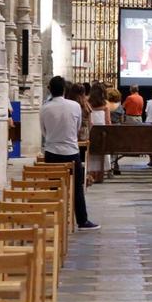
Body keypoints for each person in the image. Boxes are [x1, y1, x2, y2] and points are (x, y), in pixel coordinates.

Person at [40, 76, 98, 230]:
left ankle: (54, 218)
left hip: (52, 151)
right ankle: (82, 220)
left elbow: (43, 131)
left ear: (50, 90)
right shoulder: (74, 106)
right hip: (71, 151)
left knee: (53, 186)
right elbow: (78, 126)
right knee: (77, 187)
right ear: (65, 90)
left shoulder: (45, 107)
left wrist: (53, 139)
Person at [86, 83, 109, 184]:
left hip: (92, 130)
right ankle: (100, 175)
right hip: (102, 131)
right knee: (101, 152)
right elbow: (108, 121)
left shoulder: (88, 103)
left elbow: (88, 119)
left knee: (91, 152)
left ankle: (91, 173)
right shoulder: (105, 105)